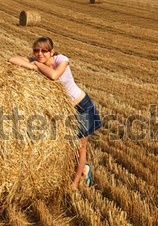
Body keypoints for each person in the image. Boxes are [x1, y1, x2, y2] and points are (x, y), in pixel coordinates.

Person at [8, 36, 102, 190]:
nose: (40, 53)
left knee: (80, 147)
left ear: (52, 52)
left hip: (82, 107)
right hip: (64, 111)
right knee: (68, 147)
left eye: (44, 50)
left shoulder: (61, 59)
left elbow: (54, 76)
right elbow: (12, 59)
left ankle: (75, 183)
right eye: (36, 50)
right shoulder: (38, 60)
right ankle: (84, 168)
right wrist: (32, 65)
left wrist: (36, 64)